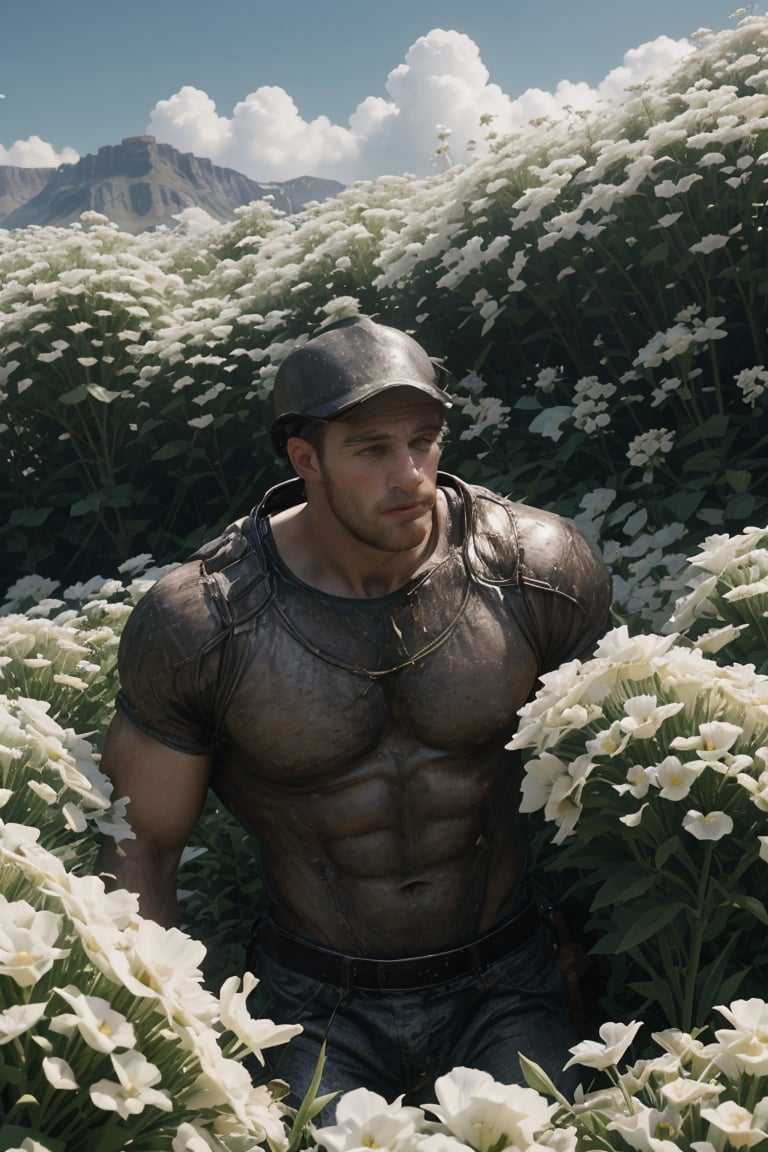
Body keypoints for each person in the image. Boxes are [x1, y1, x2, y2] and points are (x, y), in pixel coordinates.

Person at [95, 314, 612, 1112]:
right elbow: (145, 852)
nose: (410, 474)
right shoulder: (204, 622)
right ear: (306, 459)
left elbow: (614, 784)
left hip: (509, 977)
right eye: (372, 449)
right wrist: (165, 1036)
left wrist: (591, 945)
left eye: (425, 440)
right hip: (309, 1004)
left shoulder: (532, 570)